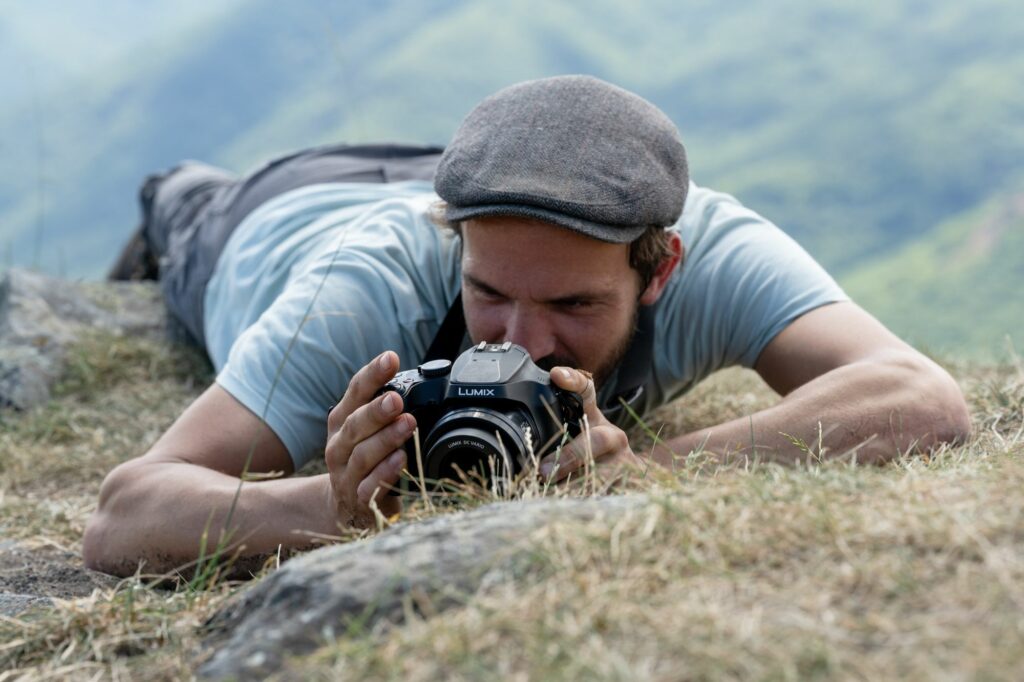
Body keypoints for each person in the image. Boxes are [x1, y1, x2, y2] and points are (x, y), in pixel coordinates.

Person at [84, 76, 970, 577]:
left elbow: (918, 396)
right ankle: (176, 196)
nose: (521, 338)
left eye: (573, 305)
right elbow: (125, 514)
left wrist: (639, 479)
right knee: (189, 204)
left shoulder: (711, 242)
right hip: (268, 217)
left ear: (661, 267)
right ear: (456, 242)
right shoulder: (363, 292)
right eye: (488, 292)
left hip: (437, 176)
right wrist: (341, 507)